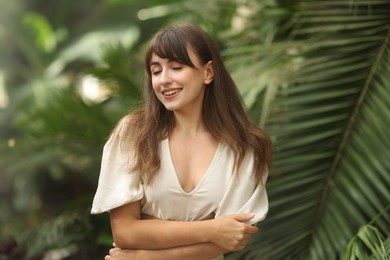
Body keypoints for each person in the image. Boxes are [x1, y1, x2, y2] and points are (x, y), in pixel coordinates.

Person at [91, 23, 272, 260]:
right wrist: (211, 229)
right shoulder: (134, 134)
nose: (164, 80)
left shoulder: (245, 148)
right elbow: (126, 232)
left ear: (208, 72)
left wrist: (144, 257)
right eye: (156, 71)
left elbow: (233, 238)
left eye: (176, 67)